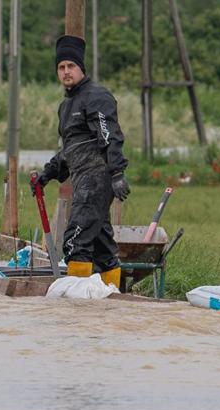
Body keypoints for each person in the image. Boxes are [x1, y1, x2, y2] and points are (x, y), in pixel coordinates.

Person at [35, 35, 130, 288]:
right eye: (61, 67)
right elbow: (70, 149)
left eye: (71, 66)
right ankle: (112, 299)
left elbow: (110, 135)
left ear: (81, 69)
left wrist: (118, 172)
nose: (66, 72)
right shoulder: (65, 107)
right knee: (102, 247)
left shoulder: (96, 96)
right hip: (82, 181)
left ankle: (75, 307)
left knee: (74, 242)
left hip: (97, 179)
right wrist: (47, 174)